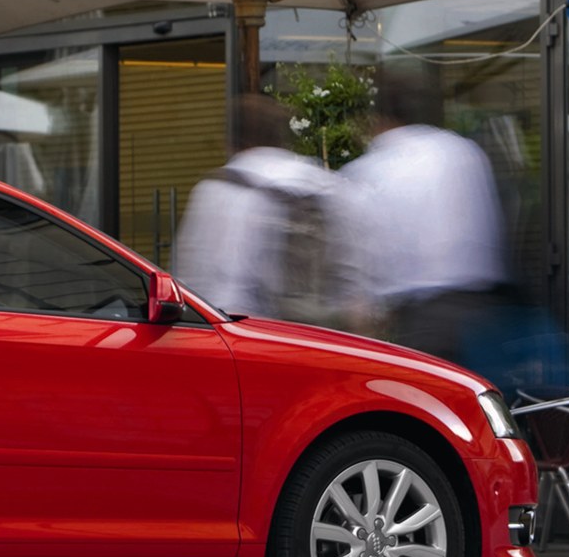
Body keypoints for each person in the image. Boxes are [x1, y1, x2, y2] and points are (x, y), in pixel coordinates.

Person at [338, 69, 507, 363]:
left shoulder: (369, 171)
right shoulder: (463, 152)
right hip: (486, 310)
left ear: (379, 119)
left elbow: (366, 266)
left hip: (424, 319)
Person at [173, 94, 347, 325]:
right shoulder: (315, 182)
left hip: (220, 322)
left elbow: (188, 270)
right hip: (293, 325)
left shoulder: (212, 189)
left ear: (232, 142)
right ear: (280, 138)